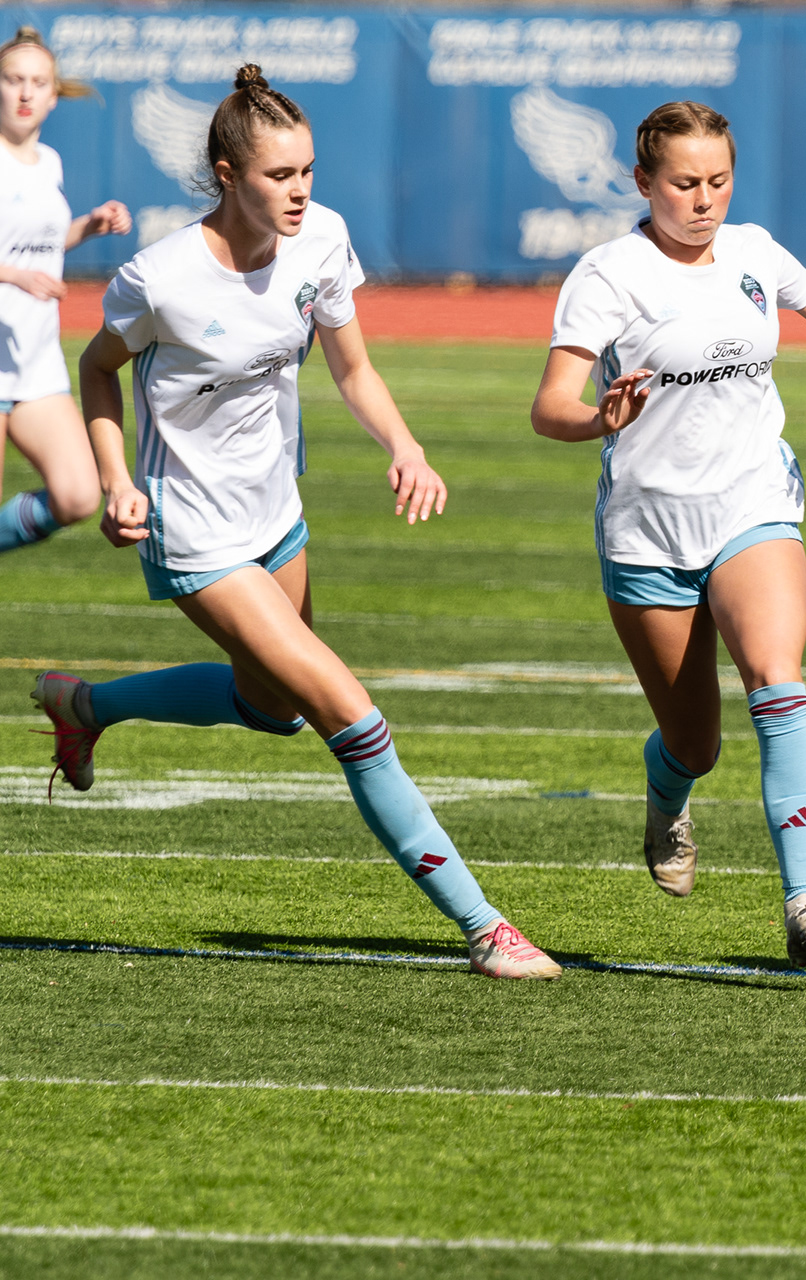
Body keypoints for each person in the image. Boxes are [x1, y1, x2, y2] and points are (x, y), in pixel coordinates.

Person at [33, 65, 561, 980]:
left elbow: (353, 369)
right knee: (350, 715)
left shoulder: (322, 240)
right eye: (280, 175)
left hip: (278, 511)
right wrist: (116, 481)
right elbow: (96, 368)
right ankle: (487, 929)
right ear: (227, 175)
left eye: (308, 170)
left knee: (270, 708)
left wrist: (405, 446)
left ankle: (86, 707)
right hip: (195, 531)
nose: (300, 190)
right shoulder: (161, 278)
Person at [530, 100, 806, 967]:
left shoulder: (755, 251)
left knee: (777, 681)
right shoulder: (609, 275)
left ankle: (805, 904)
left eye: (719, 181)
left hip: (752, 501)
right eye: (684, 183)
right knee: (695, 742)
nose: (704, 200)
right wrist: (599, 419)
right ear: (643, 182)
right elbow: (550, 408)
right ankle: (666, 799)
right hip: (648, 530)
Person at [0, 26, 129, 553]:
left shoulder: (48, 161)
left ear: (54, 96)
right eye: (13, 80)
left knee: (78, 494)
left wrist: (89, 226)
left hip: (34, 361)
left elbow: (40, 244)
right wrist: (13, 275)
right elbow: (18, 261)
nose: (25, 93)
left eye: (38, 83)